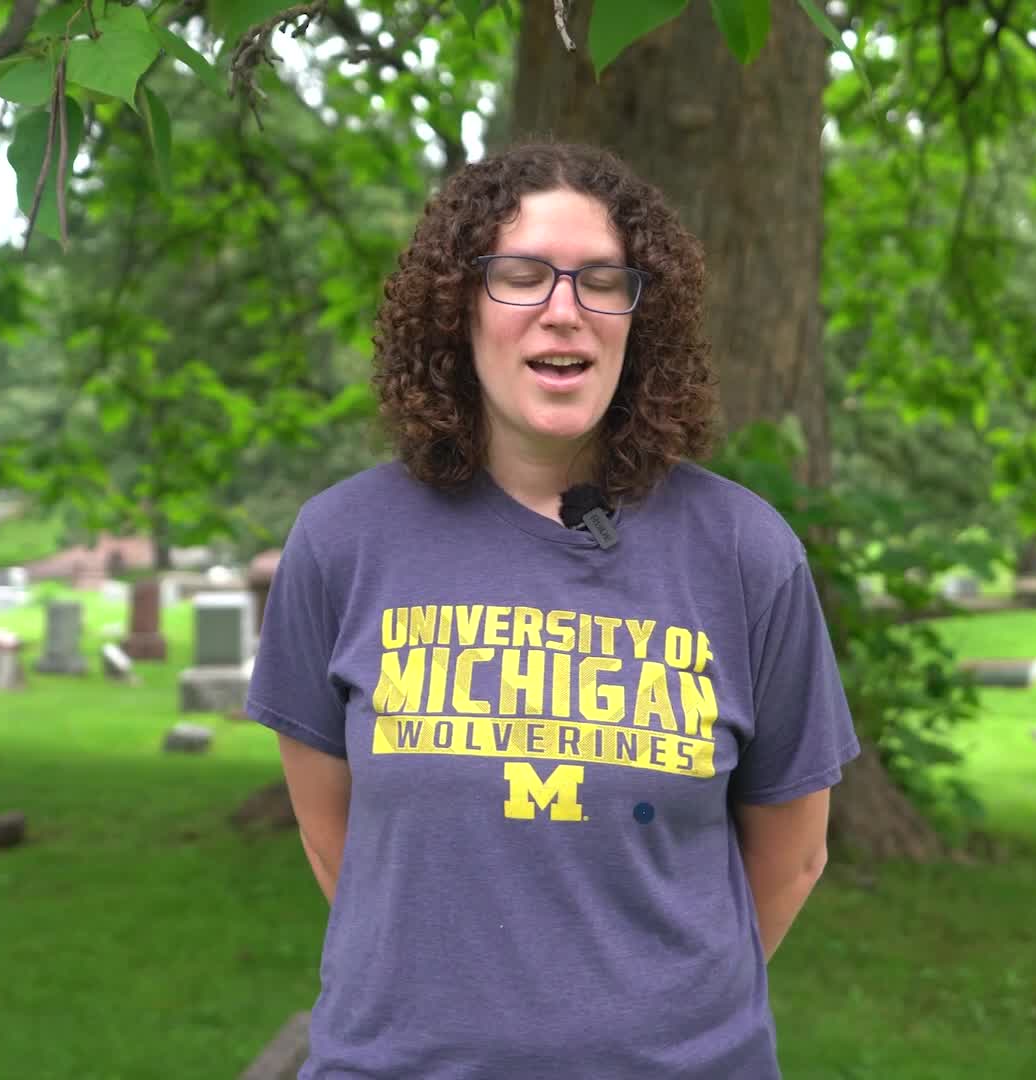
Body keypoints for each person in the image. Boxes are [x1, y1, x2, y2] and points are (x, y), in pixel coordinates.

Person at [244, 140, 860, 1079]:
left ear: (638, 318)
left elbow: (794, 856)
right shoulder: (343, 542)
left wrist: (656, 1032)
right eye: (521, 276)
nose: (563, 310)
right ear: (459, 308)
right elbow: (339, 846)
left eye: (602, 280)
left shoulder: (745, 553)